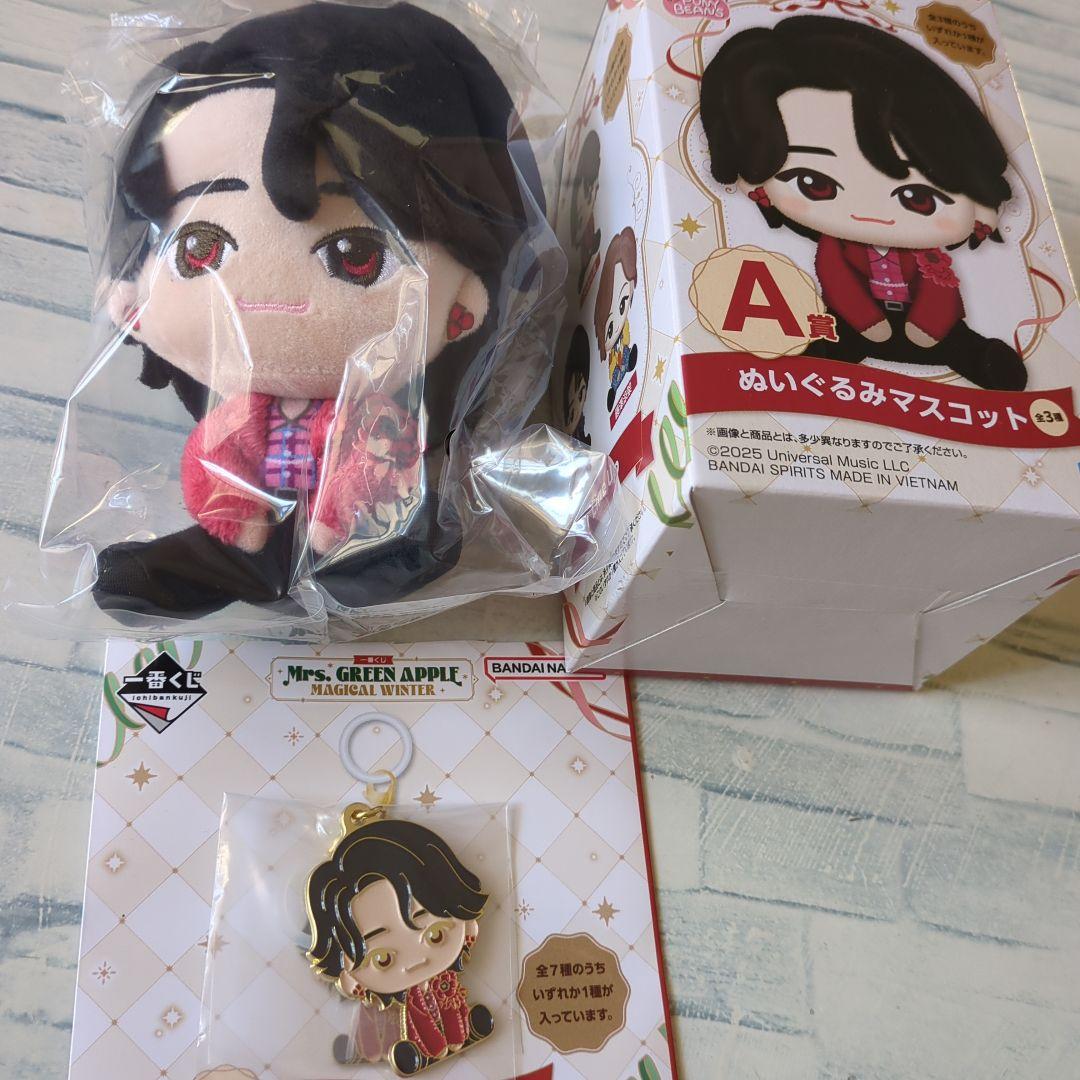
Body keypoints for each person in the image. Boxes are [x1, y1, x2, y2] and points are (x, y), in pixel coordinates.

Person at [92, 2, 546, 619]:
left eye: (357, 256)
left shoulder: (376, 411)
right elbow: (216, 453)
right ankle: (240, 554)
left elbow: (383, 456)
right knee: (226, 475)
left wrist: (344, 512)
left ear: (465, 301)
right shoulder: (236, 412)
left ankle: (353, 551)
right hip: (259, 497)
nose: (267, 301)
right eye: (201, 249)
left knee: (384, 497)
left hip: (354, 505)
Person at [700, 15, 1028, 390]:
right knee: (828, 345)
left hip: (930, 330)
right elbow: (837, 279)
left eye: (919, 198)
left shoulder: (930, 258)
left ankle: (985, 365)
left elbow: (941, 291)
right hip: (857, 324)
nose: (869, 214)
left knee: (961, 345)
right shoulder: (837, 248)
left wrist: (929, 326)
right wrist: (866, 320)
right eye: (816, 184)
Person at [306, 815, 492, 1076]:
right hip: (413, 1017)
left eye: (435, 935)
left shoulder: (453, 952)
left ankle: (463, 1029)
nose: (416, 960)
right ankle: (429, 1047)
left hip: (450, 994)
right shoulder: (403, 994)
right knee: (419, 1018)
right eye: (383, 959)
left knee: (452, 1004)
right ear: (347, 969)